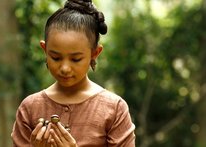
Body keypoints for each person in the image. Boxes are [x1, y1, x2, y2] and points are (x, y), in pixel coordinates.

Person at [11, 0, 135, 146]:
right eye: (56, 57)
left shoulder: (114, 109)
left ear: (95, 54)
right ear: (44, 50)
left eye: (75, 59)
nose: (65, 68)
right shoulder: (30, 108)